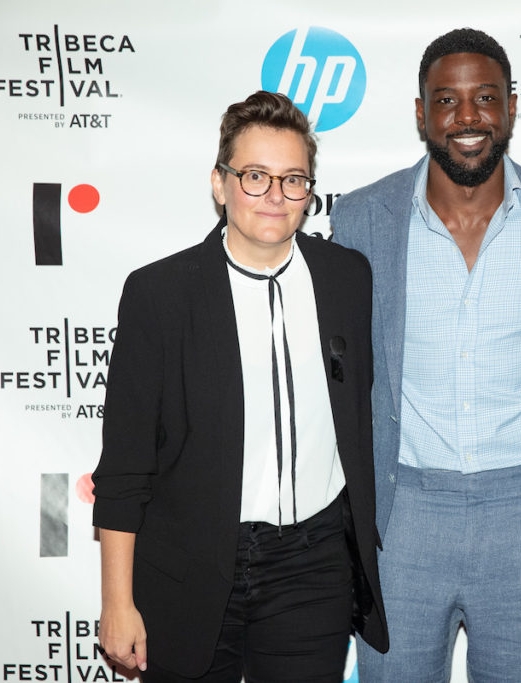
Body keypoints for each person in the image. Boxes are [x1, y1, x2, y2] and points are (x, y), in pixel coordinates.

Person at [331, 27, 521, 683]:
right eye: (447, 100)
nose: (467, 117)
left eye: (485, 97)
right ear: (422, 113)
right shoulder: (361, 219)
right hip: (401, 519)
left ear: (511, 108)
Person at [91, 90, 387, 682]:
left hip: (312, 568)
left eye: (293, 179)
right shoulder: (160, 295)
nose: (276, 196)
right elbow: (125, 468)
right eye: (255, 176)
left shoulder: (346, 278)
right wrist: (117, 604)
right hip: (189, 565)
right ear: (219, 184)